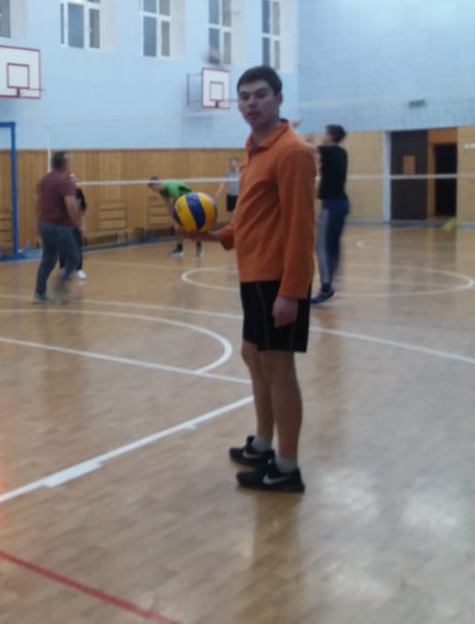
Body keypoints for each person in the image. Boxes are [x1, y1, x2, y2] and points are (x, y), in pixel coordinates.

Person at [188, 65, 315, 493]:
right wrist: (211, 235)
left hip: (276, 279)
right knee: (253, 355)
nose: (251, 103)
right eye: (244, 97)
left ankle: (287, 467)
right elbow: (251, 219)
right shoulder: (254, 150)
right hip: (253, 274)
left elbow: (301, 227)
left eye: (260, 94)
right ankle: (263, 444)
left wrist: (291, 292)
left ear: (279, 98)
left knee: (279, 366)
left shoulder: (292, 152)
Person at [33, 151, 83, 303]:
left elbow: (38, 203)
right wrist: (78, 225)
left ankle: (39, 293)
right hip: (59, 227)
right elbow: (71, 204)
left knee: (48, 259)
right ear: (64, 163)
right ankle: (60, 289)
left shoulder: (45, 179)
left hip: (45, 224)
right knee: (73, 257)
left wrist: (40, 222)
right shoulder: (64, 180)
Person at [312, 125, 349, 305]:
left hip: (331, 205)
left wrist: (290, 129)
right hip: (342, 203)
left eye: (325, 133)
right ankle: (329, 284)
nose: (323, 135)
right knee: (332, 246)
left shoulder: (329, 151)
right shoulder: (341, 152)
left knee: (321, 247)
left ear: (331, 136)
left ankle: (326, 288)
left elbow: (305, 148)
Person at [147, 177, 203, 257]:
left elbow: (177, 202)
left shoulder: (171, 187)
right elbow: (168, 204)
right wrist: (173, 216)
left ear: (157, 184)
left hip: (191, 201)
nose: (153, 191)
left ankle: (199, 248)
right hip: (182, 203)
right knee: (177, 228)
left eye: (153, 188)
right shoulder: (162, 192)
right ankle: (180, 249)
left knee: (193, 227)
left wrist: (177, 215)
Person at [59, 174, 88, 280]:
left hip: (76, 225)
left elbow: (84, 207)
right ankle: (62, 268)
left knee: (78, 247)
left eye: (75, 180)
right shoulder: (62, 194)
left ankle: (79, 269)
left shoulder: (79, 192)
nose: (74, 182)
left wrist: (84, 221)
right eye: (72, 180)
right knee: (63, 248)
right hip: (64, 225)